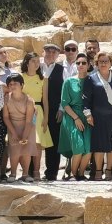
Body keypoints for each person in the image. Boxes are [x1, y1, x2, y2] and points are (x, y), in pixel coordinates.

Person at [84, 51, 112, 180]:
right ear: (96, 63)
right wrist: (88, 114)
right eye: (101, 61)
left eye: (106, 61)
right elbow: (86, 99)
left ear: (111, 63)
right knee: (99, 145)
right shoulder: (91, 78)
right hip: (98, 117)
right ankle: (97, 171)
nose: (103, 63)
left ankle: (108, 171)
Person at [58, 54, 92, 180]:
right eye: (78, 63)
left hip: (88, 116)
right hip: (72, 116)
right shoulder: (69, 81)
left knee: (88, 149)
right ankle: (73, 174)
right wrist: (76, 118)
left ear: (88, 65)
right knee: (78, 147)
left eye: (84, 63)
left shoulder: (92, 80)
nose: (81, 65)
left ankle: (81, 174)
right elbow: (65, 103)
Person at [19, 53, 51, 179]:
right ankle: (25, 172)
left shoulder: (43, 79)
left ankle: (37, 172)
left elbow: (45, 100)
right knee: (23, 142)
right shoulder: (20, 77)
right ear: (27, 63)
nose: (36, 64)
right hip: (22, 111)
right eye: (33, 61)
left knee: (37, 143)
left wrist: (46, 118)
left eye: (38, 61)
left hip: (38, 111)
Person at [3, 73, 38, 182]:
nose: (12, 86)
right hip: (12, 126)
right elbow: (6, 117)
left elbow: (29, 120)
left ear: (22, 85)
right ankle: (13, 174)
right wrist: (13, 132)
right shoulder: (6, 99)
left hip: (27, 127)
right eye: (10, 84)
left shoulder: (29, 100)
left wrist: (24, 136)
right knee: (14, 151)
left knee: (26, 151)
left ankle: (25, 174)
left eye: (15, 83)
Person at [39, 43, 66, 181]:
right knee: (36, 140)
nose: (50, 54)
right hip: (37, 108)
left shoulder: (62, 69)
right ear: (43, 52)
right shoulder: (36, 67)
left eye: (53, 51)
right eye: (47, 51)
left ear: (57, 54)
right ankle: (33, 171)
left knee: (54, 141)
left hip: (55, 109)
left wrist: (62, 109)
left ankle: (51, 172)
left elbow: (64, 91)